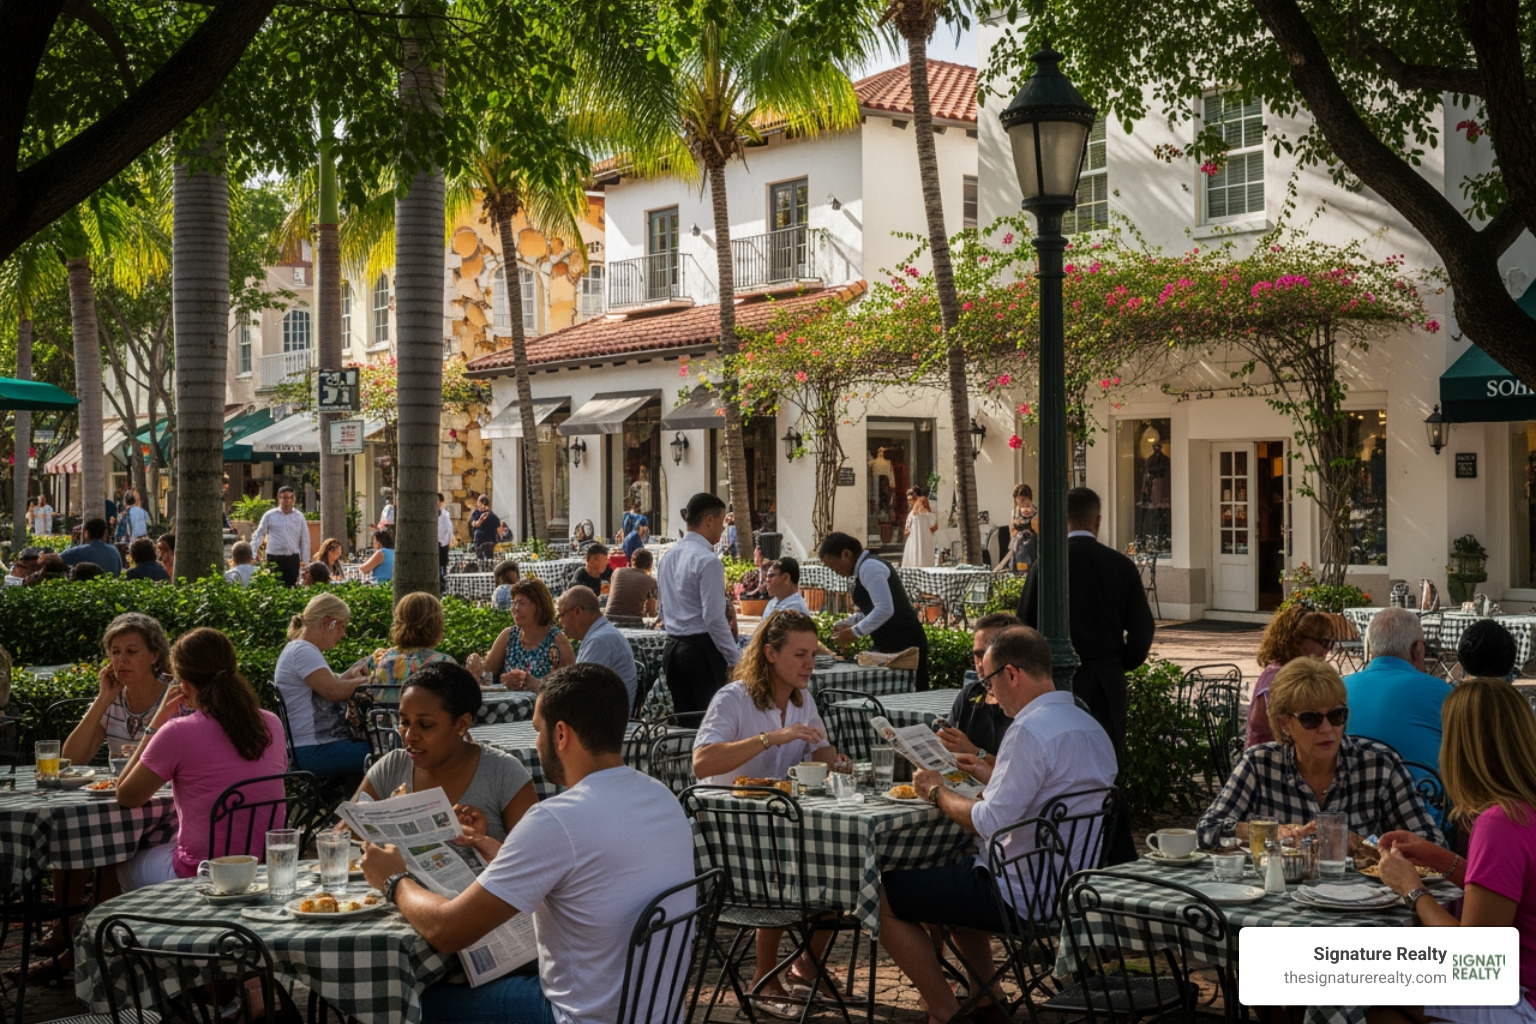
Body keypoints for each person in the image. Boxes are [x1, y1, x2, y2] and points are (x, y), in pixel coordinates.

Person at [359, 663, 695, 1024]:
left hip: (574, 1015)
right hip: (655, 1011)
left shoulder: (557, 820)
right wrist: (496, 848)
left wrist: (394, 880)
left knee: (396, 1000)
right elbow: (587, 875)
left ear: (561, 734)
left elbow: (447, 931)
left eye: (538, 730)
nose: (536, 743)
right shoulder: (662, 797)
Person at [878, 625, 1118, 1024]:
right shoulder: (1089, 725)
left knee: (880, 896)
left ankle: (943, 1009)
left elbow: (991, 821)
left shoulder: (1027, 728)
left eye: (988, 681)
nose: (988, 694)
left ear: (1012, 674)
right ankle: (986, 992)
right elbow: (1053, 796)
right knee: (958, 871)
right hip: (1071, 887)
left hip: (1021, 895)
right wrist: (992, 775)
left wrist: (936, 792)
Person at [692, 609, 840, 1016]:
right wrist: (771, 738)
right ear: (771, 654)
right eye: (799, 654)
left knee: (844, 867)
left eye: (813, 654)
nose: (810, 663)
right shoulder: (734, 698)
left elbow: (821, 751)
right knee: (788, 866)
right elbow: (702, 763)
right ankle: (764, 979)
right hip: (726, 835)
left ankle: (805, 968)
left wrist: (836, 761)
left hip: (778, 825)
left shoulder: (802, 698)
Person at [1372, 678, 1536, 1024]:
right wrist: (1435, 855)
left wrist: (1412, 889)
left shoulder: (1501, 822)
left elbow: (1473, 954)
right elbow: (1506, 891)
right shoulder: (1524, 810)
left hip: (1520, 999)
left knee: (1362, 987)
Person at [1017, 486, 1153, 862]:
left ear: (1061, 521)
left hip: (1054, 685)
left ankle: (1067, 845)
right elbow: (1142, 631)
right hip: (1106, 679)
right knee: (1105, 768)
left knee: (1060, 766)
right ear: (1098, 520)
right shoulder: (1119, 565)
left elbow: (1023, 624)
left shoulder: (1049, 563)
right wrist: (1118, 662)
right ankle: (1113, 851)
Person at [1195, 656, 1444, 851]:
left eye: (1336, 715)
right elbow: (1206, 830)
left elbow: (1433, 845)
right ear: (1284, 723)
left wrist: (1362, 847)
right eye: (1311, 719)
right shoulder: (1260, 764)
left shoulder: (1379, 765)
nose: (1327, 730)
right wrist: (1264, 831)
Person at [114, 628, 287, 890]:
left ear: (182, 682)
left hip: (202, 871)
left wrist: (155, 725)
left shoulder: (177, 732)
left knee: (118, 866)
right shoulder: (272, 723)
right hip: (262, 865)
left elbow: (125, 795)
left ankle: (116, 929)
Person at [355, 662, 535, 842]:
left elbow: (538, 858)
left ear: (462, 724)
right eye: (404, 722)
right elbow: (345, 835)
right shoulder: (392, 767)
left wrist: (483, 842)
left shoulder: (502, 773)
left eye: (426, 725)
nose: (410, 736)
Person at [657, 492, 739, 715]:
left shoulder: (667, 557)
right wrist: (736, 658)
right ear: (709, 520)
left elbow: (662, 610)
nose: (723, 529)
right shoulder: (708, 561)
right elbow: (713, 618)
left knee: (686, 724)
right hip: (700, 652)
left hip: (672, 650)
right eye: (722, 521)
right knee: (713, 724)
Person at [1343, 607, 1452, 772]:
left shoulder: (1341, 688)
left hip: (1355, 793)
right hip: (1422, 794)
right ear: (1418, 649)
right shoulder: (1441, 691)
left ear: (1371, 649)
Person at [819, 531, 931, 691]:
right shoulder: (865, 568)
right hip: (889, 642)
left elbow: (885, 609)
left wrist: (855, 632)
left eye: (833, 565)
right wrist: (849, 622)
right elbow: (873, 610)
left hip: (904, 642)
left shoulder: (869, 567)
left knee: (910, 693)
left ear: (846, 554)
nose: (835, 571)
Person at [274, 593, 371, 775]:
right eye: (341, 626)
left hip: (309, 748)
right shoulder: (303, 651)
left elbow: (330, 686)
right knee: (390, 753)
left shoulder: (299, 648)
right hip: (314, 750)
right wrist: (370, 680)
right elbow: (334, 692)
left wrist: (352, 672)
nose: (343, 633)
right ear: (328, 622)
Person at [62, 613, 177, 766]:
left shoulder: (176, 696)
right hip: (119, 788)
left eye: (131, 651)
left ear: (154, 656)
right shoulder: (111, 700)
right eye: (116, 652)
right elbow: (71, 760)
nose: (121, 660)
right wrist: (103, 698)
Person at [935, 612, 1022, 765]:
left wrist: (975, 753)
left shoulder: (1022, 703)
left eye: (989, 654)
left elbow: (1018, 775)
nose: (981, 664)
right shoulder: (970, 695)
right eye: (978, 655)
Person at [1245, 605, 1337, 747]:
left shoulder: (1295, 673)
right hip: (1268, 762)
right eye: (1323, 642)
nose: (1327, 649)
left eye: (1332, 643)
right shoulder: (1278, 678)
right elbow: (1297, 734)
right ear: (1297, 640)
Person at [466, 578, 575, 693]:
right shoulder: (508, 636)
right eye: (514, 603)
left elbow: (570, 686)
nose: (515, 609)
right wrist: (476, 663)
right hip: (508, 707)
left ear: (538, 606)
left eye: (521, 603)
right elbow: (488, 673)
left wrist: (536, 684)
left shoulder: (557, 641)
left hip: (543, 708)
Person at [364, 592, 455, 702]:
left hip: (384, 719)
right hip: (426, 719)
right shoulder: (444, 663)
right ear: (436, 625)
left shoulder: (378, 659)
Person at [557, 586, 639, 708]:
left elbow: (578, 693)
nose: (560, 621)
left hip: (605, 722)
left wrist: (538, 685)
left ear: (577, 612)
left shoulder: (599, 641)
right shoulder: (598, 635)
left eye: (561, 615)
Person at [251, 486, 310, 587]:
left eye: (291, 498)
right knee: (274, 586)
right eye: (285, 498)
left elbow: (304, 540)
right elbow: (260, 534)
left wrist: (305, 560)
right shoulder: (270, 515)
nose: (288, 501)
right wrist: (253, 552)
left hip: (292, 558)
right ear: (279, 499)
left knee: (292, 587)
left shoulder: (299, 517)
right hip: (274, 558)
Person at [604, 549, 657, 624]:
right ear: (650, 565)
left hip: (609, 618)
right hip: (632, 621)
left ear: (632, 560)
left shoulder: (617, 572)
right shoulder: (650, 581)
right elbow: (652, 611)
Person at [997, 483, 1039, 573]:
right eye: (1019, 502)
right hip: (1018, 554)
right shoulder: (1015, 514)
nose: (1022, 504)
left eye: (1024, 500)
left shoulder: (1036, 515)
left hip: (1032, 552)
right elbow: (1013, 539)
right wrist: (1002, 564)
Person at [901, 485, 938, 568]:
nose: (909, 502)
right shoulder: (912, 514)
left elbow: (933, 525)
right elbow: (906, 531)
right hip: (915, 540)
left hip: (922, 539)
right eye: (908, 500)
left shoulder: (923, 505)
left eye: (911, 499)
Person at [468, 495, 501, 561]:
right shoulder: (476, 513)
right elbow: (474, 524)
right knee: (480, 560)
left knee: (489, 561)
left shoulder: (493, 516)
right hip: (479, 541)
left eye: (479, 503)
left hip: (490, 543)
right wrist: (480, 520)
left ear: (483, 505)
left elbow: (498, 530)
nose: (477, 505)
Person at [437, 492, 454, 585]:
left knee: (443, 565)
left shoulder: (445, 514)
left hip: (443, 544)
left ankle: (443, 583)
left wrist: (450, 541)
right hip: (434, 543)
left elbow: (449, 529)